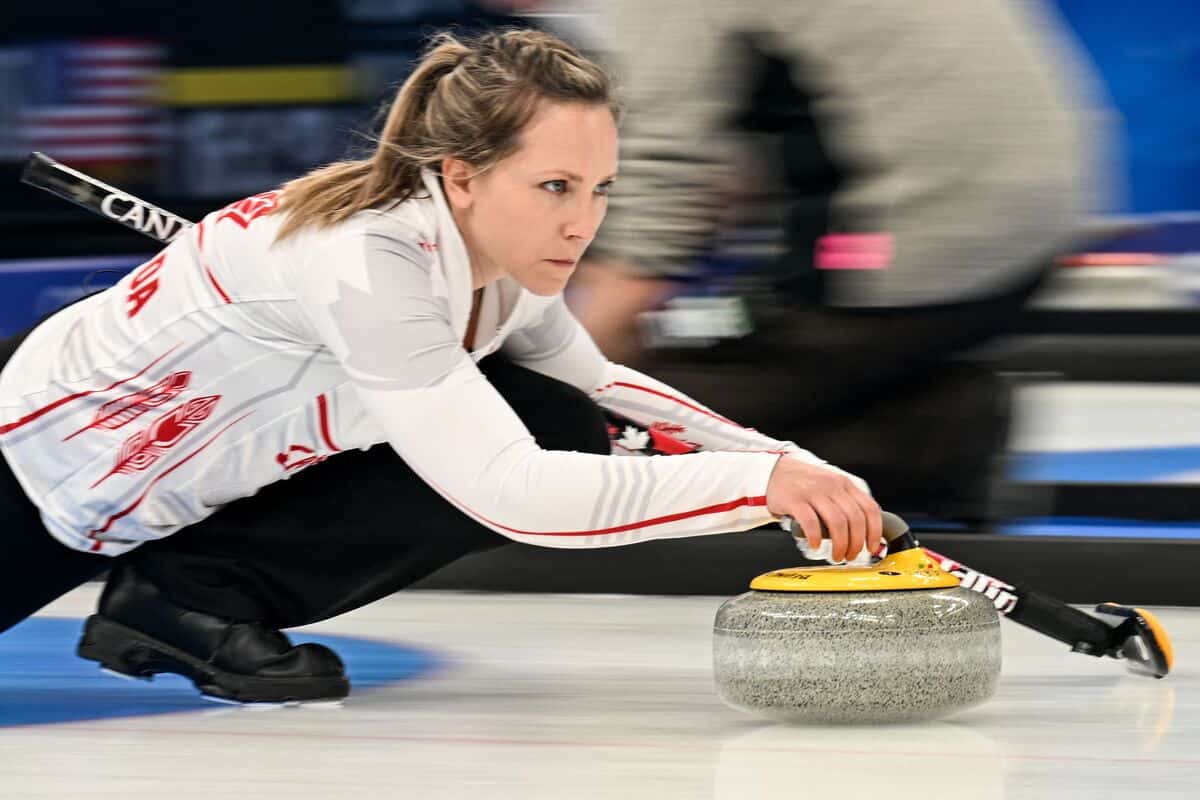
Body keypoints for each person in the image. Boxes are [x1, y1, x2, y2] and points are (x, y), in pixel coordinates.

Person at [0, 29, 881, 704]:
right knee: (516, 446)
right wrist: (757, 489)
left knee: (556, 417)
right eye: (554, 187)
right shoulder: (367, 263)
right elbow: (513, 493)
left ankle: (186, 601)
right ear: (462, 176)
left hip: (146, 495)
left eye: (599, 189)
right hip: (31, 474)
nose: (583, 223)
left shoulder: (494, 258)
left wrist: (796, 467)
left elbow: (603, 390)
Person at [563, 0, 1108, 519]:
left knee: (625, 425)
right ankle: (929, 425)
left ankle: (928, 439)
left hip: (904, 237)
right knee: (747, 329)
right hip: (1038, 225)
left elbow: (661, 190)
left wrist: (560, 391)